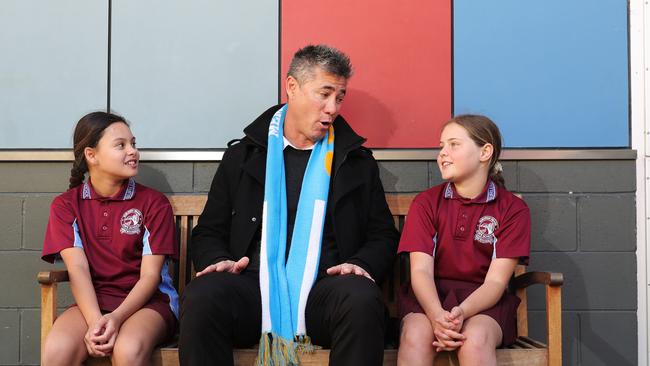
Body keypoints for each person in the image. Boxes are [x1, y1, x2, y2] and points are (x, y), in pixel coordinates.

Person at [179, 44, 399, 366]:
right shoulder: (244, 156)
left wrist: (361, 265)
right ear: (292, 87)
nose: (332, 108)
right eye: (324, 94)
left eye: (339, 97)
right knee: (202, 297)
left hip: (325, 289)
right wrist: (218, 260)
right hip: (251, 284)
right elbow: (209, 230)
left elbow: (382, 235)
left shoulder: (355, 162)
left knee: (361, 299)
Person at [40, 112, 179, 366]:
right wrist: (95, 323)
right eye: (121, 145)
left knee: (126, 350)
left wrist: (115, 319)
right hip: (93, 303)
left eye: (133, 144)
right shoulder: (66, 205)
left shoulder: (154, 203)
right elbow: (78, 269)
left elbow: (150, 277)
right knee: (57, 349)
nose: (133, 152)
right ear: (91, 155)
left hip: (147, 304)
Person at [397, 115, 531, 366]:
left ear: (485, 152)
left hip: (483, 302)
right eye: (441, 146)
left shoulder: (513, 209)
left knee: (475, 339)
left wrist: (461, 313)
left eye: (454, 144)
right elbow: (421, 271)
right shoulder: (426, 203)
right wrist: (437, 315)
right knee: (416, 335)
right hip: (431, 297)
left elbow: (495, 282)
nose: (443, 153)